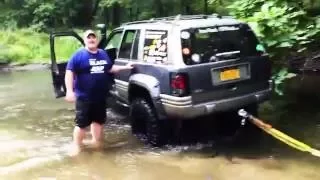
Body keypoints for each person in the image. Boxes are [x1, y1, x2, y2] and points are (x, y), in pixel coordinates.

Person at [64, 29, 134, 156]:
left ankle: (96, 143)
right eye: (88, 38)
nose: (91, 40)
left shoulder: (103, 53)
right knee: (81, 124)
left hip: (100, 97)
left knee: (98, 122)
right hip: (84, 97)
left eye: (93, 37)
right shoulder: (78, 55)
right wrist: (69, 91)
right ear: (85, 40)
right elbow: (69, 73)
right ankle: (77, 146)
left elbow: (110, 68)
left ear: (97, 40)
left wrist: (126, 67)